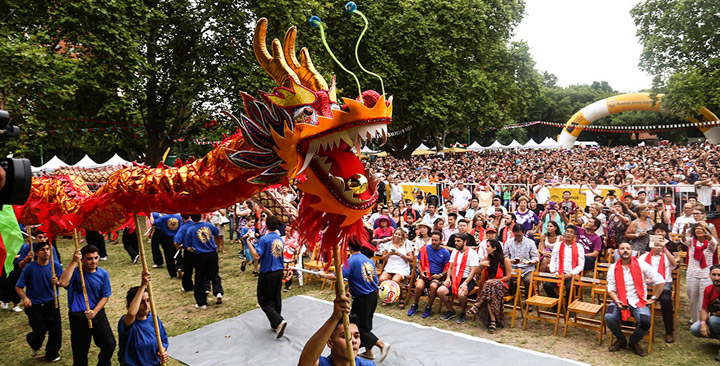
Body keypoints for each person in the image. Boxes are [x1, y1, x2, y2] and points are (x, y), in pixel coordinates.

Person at [318, 238, 389, 361]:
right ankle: (369, 352)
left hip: (362, 298)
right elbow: (374, 280)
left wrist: (323, 275)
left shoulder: (350, 261)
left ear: (349, 247)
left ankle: (381, 344)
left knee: (358, 327)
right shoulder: (368, 260)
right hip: (372, 296)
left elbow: (337, 276)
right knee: (365, 324)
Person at [58, 245, 116, 366]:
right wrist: (74, 262)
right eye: (89, 258)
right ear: (82, 259)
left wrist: (94, 311)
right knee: (80, 352)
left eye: (96, 258)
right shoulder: (75, 272)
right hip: (78, 316)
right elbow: (62, 282)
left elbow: (105, 296)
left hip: (97, 314)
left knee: (109, 344)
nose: (93, 261)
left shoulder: (103, 274)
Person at [605, 242, 665, 357]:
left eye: (628, 248)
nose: (625, 250)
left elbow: (660, 280)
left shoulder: (642, 264)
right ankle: (621, 340)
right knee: (609, 317)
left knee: (645, 322)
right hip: (620, 300)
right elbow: (611, 289)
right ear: (618, 252)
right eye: (622, 248)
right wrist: (617, 301)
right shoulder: (613, 268)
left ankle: (633, 341)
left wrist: (653, 298)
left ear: (632, 251)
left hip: (638, 301)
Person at [15, 240, 64, 362]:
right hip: (35, 305)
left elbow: (63, 282)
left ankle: (52, 353)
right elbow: (18, 286)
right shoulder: (29, 268)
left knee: (55, 330)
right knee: (40, 330)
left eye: (47, 249)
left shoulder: (55, 266)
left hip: (52, 302)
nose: (46, 252)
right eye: (42, 250)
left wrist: (57, 282)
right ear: (36, 253)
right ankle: (34, 343)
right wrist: (25, 298)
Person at [298, 292, 376, 366]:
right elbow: (305, 362)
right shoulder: (322, 364)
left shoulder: (367, 365)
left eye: (356, 336)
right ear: (330, 343)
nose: (353, 341)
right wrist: (335, 317)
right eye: (344, 336)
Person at [118, 271, 169, 366]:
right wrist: (143, 286)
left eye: (148, 300)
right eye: (141, 302)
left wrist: (163, 352)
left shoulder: (154, 319)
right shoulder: (126, 321)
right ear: (132, 303)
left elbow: (163, 340)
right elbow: (131, 313)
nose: (146, 305)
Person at [248, 215, 287, 338]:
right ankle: (276, 324)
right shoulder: (280, 239)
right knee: (276, 296)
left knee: (264, 299)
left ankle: (278, 320)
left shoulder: (265, 239)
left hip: (268, 272)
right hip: (279, 270)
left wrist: (248, 242)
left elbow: (256, 256)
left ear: (266, 225)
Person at [638, 229, 677, 343]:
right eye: (655, 245)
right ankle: (639, 325)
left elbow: (674, 264)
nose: (658, 247)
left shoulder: (666, 256)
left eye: (659, 245)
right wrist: (645, 279)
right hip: (647, 286)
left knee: (666, 300)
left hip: (663, 285)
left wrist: (665, 249)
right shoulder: (643, 257)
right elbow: (637, 272)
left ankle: (669, 331)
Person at [467, 239, 513, 333]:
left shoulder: (505, 260)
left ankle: (477, 304)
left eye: (488, 246)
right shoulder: (487, 257)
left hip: (503, 284)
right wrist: (481, 264)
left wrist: (495, 281)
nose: (486, 248)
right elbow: (476, 272)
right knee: (490, 292)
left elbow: (508, 277)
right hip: (490, 288)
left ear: (494, 248)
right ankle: (493, 321)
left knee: (490, 284)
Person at [437, 233, 480, 324]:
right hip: (454, 278)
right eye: (455, 241)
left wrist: (465, 283)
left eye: (458, 241)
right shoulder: (454, 252)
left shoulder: (472, 253)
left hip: (467, 279)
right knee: (440, 291)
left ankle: (463, 312)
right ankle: (451, 310)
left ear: (465, 242)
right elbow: (450, 267)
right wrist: (448, 278)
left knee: (461, 294)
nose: (456, 243)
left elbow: (473, 271)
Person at [184, 214, 224, 309]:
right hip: (212, 254)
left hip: (200, 256)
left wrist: (195, 249)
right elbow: (216, 232)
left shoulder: (190, 229)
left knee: (199, 278)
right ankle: (218, 292)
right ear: (201, 216)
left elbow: (188, 247)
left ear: (191, 217)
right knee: (214, 274)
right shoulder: (208, 225)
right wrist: (209, 222)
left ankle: (201, 303)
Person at [407, 230, 450, 318]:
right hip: (425, 274)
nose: (433, 242)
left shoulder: (445, 252)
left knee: (433, 286)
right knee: (419, 286)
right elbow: (419, 263)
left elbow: (448, 267)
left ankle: (428, 306)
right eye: (432, 240)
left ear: (441, 241)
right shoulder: (424, 249)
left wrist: (441, 275)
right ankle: (415, 305)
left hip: (437, 276)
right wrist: (421, 273)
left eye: (436, 240)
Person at [686, 222, 719, 324]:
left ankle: (703, 320)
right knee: (693, 300)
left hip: (705, 275)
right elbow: (683, 240)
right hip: (692, 273)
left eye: (701, 229)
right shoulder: (691, 242)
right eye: (697, 229)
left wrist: (705, 230)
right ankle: (694, 320)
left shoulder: (710, 243)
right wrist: (684, 229)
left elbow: (714, 242)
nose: (699, 230)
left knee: (703, 300)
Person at [546, 226, 584, 301]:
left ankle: (568, 306)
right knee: (547, 285)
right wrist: (554, 271)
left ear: (575, 236)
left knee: (570, 287)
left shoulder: (579, 247)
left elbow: (581, 265)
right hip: (559, 272)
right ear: (564, 233)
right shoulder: (558, 245)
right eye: (567, 231)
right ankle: (556, 304)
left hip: (571, 274)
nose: (568, 234)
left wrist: (571, 273)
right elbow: (553, 260)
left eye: (571, 232)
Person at [690, 264, 720, 360]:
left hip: (716, 320)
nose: (716, 278)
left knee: (714, 320)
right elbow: (704, 309)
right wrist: (703, 323)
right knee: (695, 328)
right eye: (714, 275)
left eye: (719, 275)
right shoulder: (708, 289)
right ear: (709, 275)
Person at [378, 228, 413, 308]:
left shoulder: (406, 244)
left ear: (402, 236)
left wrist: (400, 254)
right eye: (396, 234)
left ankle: (401, 298)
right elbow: (383, 258)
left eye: (399, 234)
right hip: (390, 267)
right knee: (382, 279)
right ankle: (387, 297)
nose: (397, 236)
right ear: (393, 234)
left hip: (401, 268)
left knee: (395, 280)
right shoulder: (389, 244)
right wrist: (389, 254)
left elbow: (411, 259)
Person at [503, 224, 538, 300]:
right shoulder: (508, 242)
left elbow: (536, 259)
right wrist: (510, 260)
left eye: (520, 235)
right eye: (516, 236)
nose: (518, 237)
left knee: (528, 280)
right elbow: (504, 256)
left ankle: (528, 300)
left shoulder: (530, 242)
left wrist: (527, 262)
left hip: (527, 269)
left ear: (523, 233)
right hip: (513, 268)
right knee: (507, 278)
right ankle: (511, 297)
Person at [154, 213, 184, 279]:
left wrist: (150, 215)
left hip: (167, 239)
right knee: (178, 254)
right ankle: (179, 267)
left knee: (168, 257)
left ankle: (173, 274)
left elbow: (154, 223)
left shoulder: (163, 217)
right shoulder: (179, 217)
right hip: (177, 237)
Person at [173, 214, 196, 292]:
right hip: (199, 250)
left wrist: (179, 248)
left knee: (188, 270)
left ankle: (187, 286)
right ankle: (200, 284)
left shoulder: (183, 228)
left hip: (188, 251)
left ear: (182, 218)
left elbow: (176, 242)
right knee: (199, 269)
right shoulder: (196, 224)